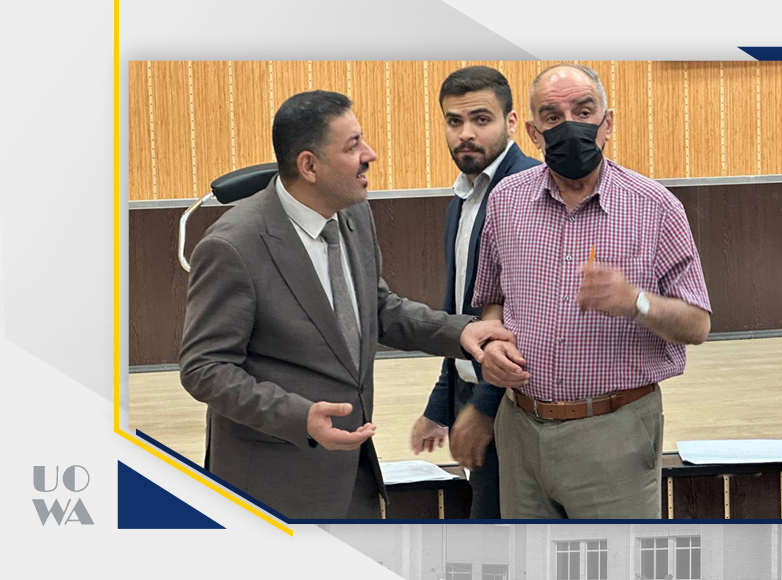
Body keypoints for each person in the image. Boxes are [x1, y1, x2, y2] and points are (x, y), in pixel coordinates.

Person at [179, 90, 515, 520]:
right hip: (272, 482)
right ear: (309, 166)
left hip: (354, 475)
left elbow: (377, 309)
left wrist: (461, 331)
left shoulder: (353, 214)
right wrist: (298, 417)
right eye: (353, 145)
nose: (369, 155)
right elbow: (204, 368)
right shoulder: (234, 245)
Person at [472, 64, 712, 519]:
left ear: (608, 122)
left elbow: (698, 325)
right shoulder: (505, 201)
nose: (570, 126)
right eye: (552, 116)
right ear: (533, 132)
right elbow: (492, 301)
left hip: (614, 434)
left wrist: (635, 302)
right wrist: (492, 344)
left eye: (584, 112)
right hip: (520, 430)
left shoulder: (655, 207)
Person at [408, 66, 539, 519]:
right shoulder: (460, 202)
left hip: (514, 402)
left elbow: (526, 322)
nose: (465, 133)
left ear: (511, 122)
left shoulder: (529, 193)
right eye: (454, 121)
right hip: (473, 394)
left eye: (481, 119)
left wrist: (483, 408)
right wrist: (441, 406)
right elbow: (462, 319)